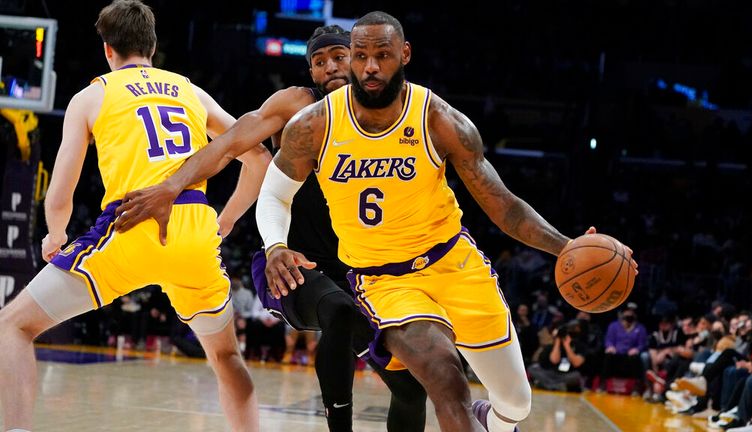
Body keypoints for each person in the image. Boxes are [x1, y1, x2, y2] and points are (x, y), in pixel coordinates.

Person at [254, 11, 637, 432]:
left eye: (382, 55)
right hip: (384, 281)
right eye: (361, 55)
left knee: (516, 402)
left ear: (405, 54)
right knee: (443, 375)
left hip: (455, 264)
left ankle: (495, 421)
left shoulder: (439, 120)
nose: (370, 67)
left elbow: (503, 206)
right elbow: (274, 193)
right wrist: (275, 245)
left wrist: (564, 246)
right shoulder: (315, 124)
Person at [111, 24, 427, 432]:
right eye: (319, 61)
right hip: (292, 265)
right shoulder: (296, 104)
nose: (330, 66)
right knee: (340, 312)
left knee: (412, 388)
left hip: (362, 271)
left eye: (338, 56)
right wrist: (172, 187)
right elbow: (230, 144)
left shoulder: (392, 111)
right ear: (311, 73)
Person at [0, 1, 262, 431]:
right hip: (195, 232)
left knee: (12, 326)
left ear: (107, 50)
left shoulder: (92, 95)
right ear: (153, 46)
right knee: (226, 356)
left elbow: (61, 190)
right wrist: (228, 220)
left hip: (131, 226)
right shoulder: (190, 90)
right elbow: (257, 157)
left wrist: (55, 234)